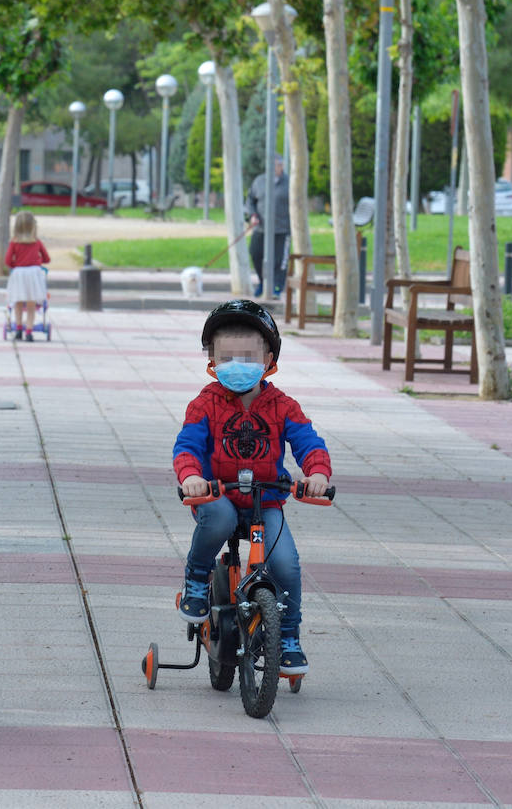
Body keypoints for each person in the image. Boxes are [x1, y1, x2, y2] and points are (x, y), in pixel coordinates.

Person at [171, 299, 332, 676]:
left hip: (267, 499)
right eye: (227, 357)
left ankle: (288, 636)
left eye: (247, 356)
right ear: (211, 358)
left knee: (286, 563)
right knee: (220, 518)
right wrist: (191, 476)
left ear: (269, 356)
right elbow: (188, 447)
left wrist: (317, 474)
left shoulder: (282, 406)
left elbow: (308, 442)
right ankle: (197, 578)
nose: (237, 364)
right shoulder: (205, 404)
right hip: (218, 494)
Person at [245, 156, 291, 298]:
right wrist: (253, 215)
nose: (280, 167)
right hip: (261, 228)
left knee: (280, 261)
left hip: (282, 229)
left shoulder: (289, 182)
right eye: (277, 165)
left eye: (281, 165)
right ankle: (262, 283)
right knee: (255, 253)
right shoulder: (259, 181)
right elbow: (250, 200)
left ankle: (277, 287)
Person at [4, 210, 50, 341]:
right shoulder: (37, 242)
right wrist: (36, 261)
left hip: (19, 274)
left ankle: (18, 329)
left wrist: (17, 264)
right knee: (31, 305)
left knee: (18, 302)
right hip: (34, 274)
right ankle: (29, 332)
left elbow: (7, 261)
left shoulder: (14, 242)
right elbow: (47, 259)